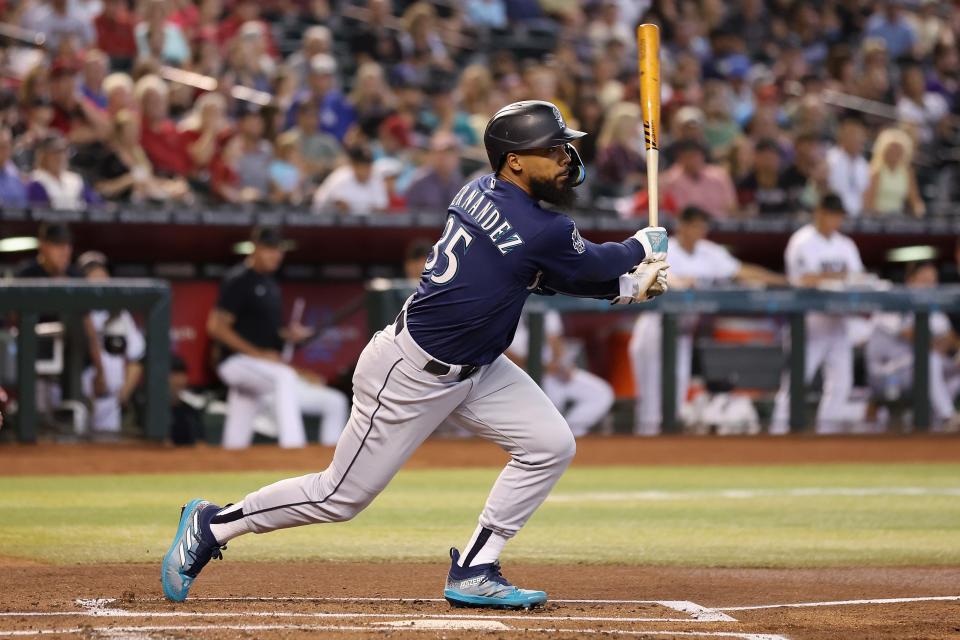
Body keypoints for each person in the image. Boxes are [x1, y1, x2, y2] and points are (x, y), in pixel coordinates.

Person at [162, 100, 669, 609]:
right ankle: (214, 524)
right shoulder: (544, 228)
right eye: (553, 149)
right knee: (339, 497)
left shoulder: (478, 188)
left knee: (549, 445)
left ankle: (475, 567)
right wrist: (638, 250)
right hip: (409, 373)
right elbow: (585, 261)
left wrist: (624, 287)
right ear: (514, 160)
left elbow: (540, 273)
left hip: (479, 367)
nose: (566, 157)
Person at [629, 206, 786, 435]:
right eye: (695, 225)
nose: (700, 231)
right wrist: (682, 282)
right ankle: (642, 454)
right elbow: (666, 280)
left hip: (682, 334)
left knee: (675, 402)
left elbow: (741, 271)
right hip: (655, 331)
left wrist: (782, 280)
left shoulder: (709, 252)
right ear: (682, 225)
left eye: (703, 226)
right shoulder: (664, 248)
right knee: (651, 404)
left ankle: (665, 457)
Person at [206, 226, 349, 449]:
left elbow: (266, 331)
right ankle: (293, 447)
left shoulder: (271, 284)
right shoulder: (239, 279)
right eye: (270, 250)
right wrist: (259, 355)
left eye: (278, 251)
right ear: (255, 249)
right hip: (236, 361)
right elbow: (216, 327)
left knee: (238, 429)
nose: (276, 256)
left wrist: (290, 334)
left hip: (256, 365)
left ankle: (230, 459)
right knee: (283, 377)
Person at [770, 193, 866, 434]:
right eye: (832, 214)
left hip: (838, 323)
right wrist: (840, 277)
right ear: (820, 213)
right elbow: (806, 279)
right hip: (809, 323)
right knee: (795, 384)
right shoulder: (802, 241)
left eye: (839, 215)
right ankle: (778, 433)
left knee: (842, 385)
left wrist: (836, 278)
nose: (836, 220)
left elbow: (859, 277)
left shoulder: (846, 244)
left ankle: (826, 436)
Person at [866, 261, 960, 432]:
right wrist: (938, 343)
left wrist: (946, 344)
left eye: (933, 280)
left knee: (950, 364)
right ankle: (948, 416)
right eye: (924, 280)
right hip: (888, 373)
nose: (929, 285)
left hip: (916, 370)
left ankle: (938, 416)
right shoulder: (892, 304)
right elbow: (915, 336)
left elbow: (950, 339)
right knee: (930, 360)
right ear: (910, 281)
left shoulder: (935, 310)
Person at [505, 309, 615, 437]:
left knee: (601, 393)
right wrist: (543, 367)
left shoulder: (544, 299)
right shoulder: (504, 306)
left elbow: (555, 339)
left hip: (553, 372)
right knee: (551, 404)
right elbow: (503, 352)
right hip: (520, 374)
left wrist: (561, 364)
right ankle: (550, 438)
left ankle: (571, 432)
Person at [77, 251, 145, 437]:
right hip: (78, 401)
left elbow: (136, 357)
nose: (98, 278)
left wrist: (124, 393)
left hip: (109, 404)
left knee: (106, 455)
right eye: (91, 274)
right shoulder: (74, 312)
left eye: (101, 273)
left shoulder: (119, 314)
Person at [862, 127, 925, 217]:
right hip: (878, 219)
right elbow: (869, 203)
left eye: (898, 150)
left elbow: (915, 200)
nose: (894, 153)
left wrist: (919, 211)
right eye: (891, 149)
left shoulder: (907, 173)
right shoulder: (876, 172)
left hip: (897, 219)